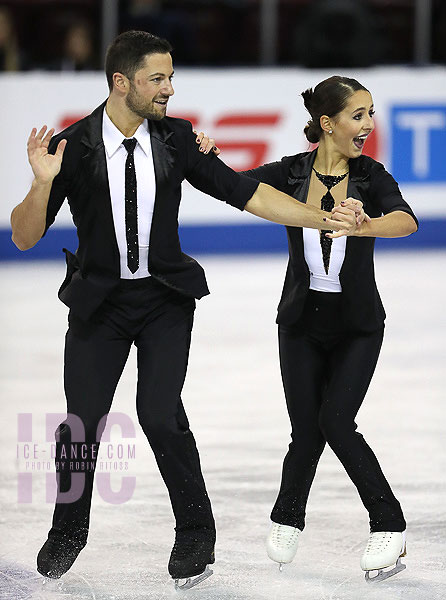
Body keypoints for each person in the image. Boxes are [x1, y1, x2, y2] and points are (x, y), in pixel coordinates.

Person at [10, 33, 361, 588]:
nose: (170, 89)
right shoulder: (72, 148)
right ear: (122, 83)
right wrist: (41, 184)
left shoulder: (176, 140)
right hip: (98, 303)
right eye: (158, 79)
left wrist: (319, 218)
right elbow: (26, 238)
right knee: (82, 422)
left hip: (164, 300)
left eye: (171, 77)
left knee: (158, 411)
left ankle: (197, 531)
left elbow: (241, 191)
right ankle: (67, 529)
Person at [196, 75, 417, 582]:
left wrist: (363, 224)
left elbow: (406, 221)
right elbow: (234, 186)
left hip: (358, 326)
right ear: (328, 123)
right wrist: (203, 154)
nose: (368, 124)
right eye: (358, 114)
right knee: (305, 432)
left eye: (370, 113)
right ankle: (288, 516)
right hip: (300, 322)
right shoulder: (291, 173)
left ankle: (389, 522)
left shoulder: (371, 176)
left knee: (336, 422)